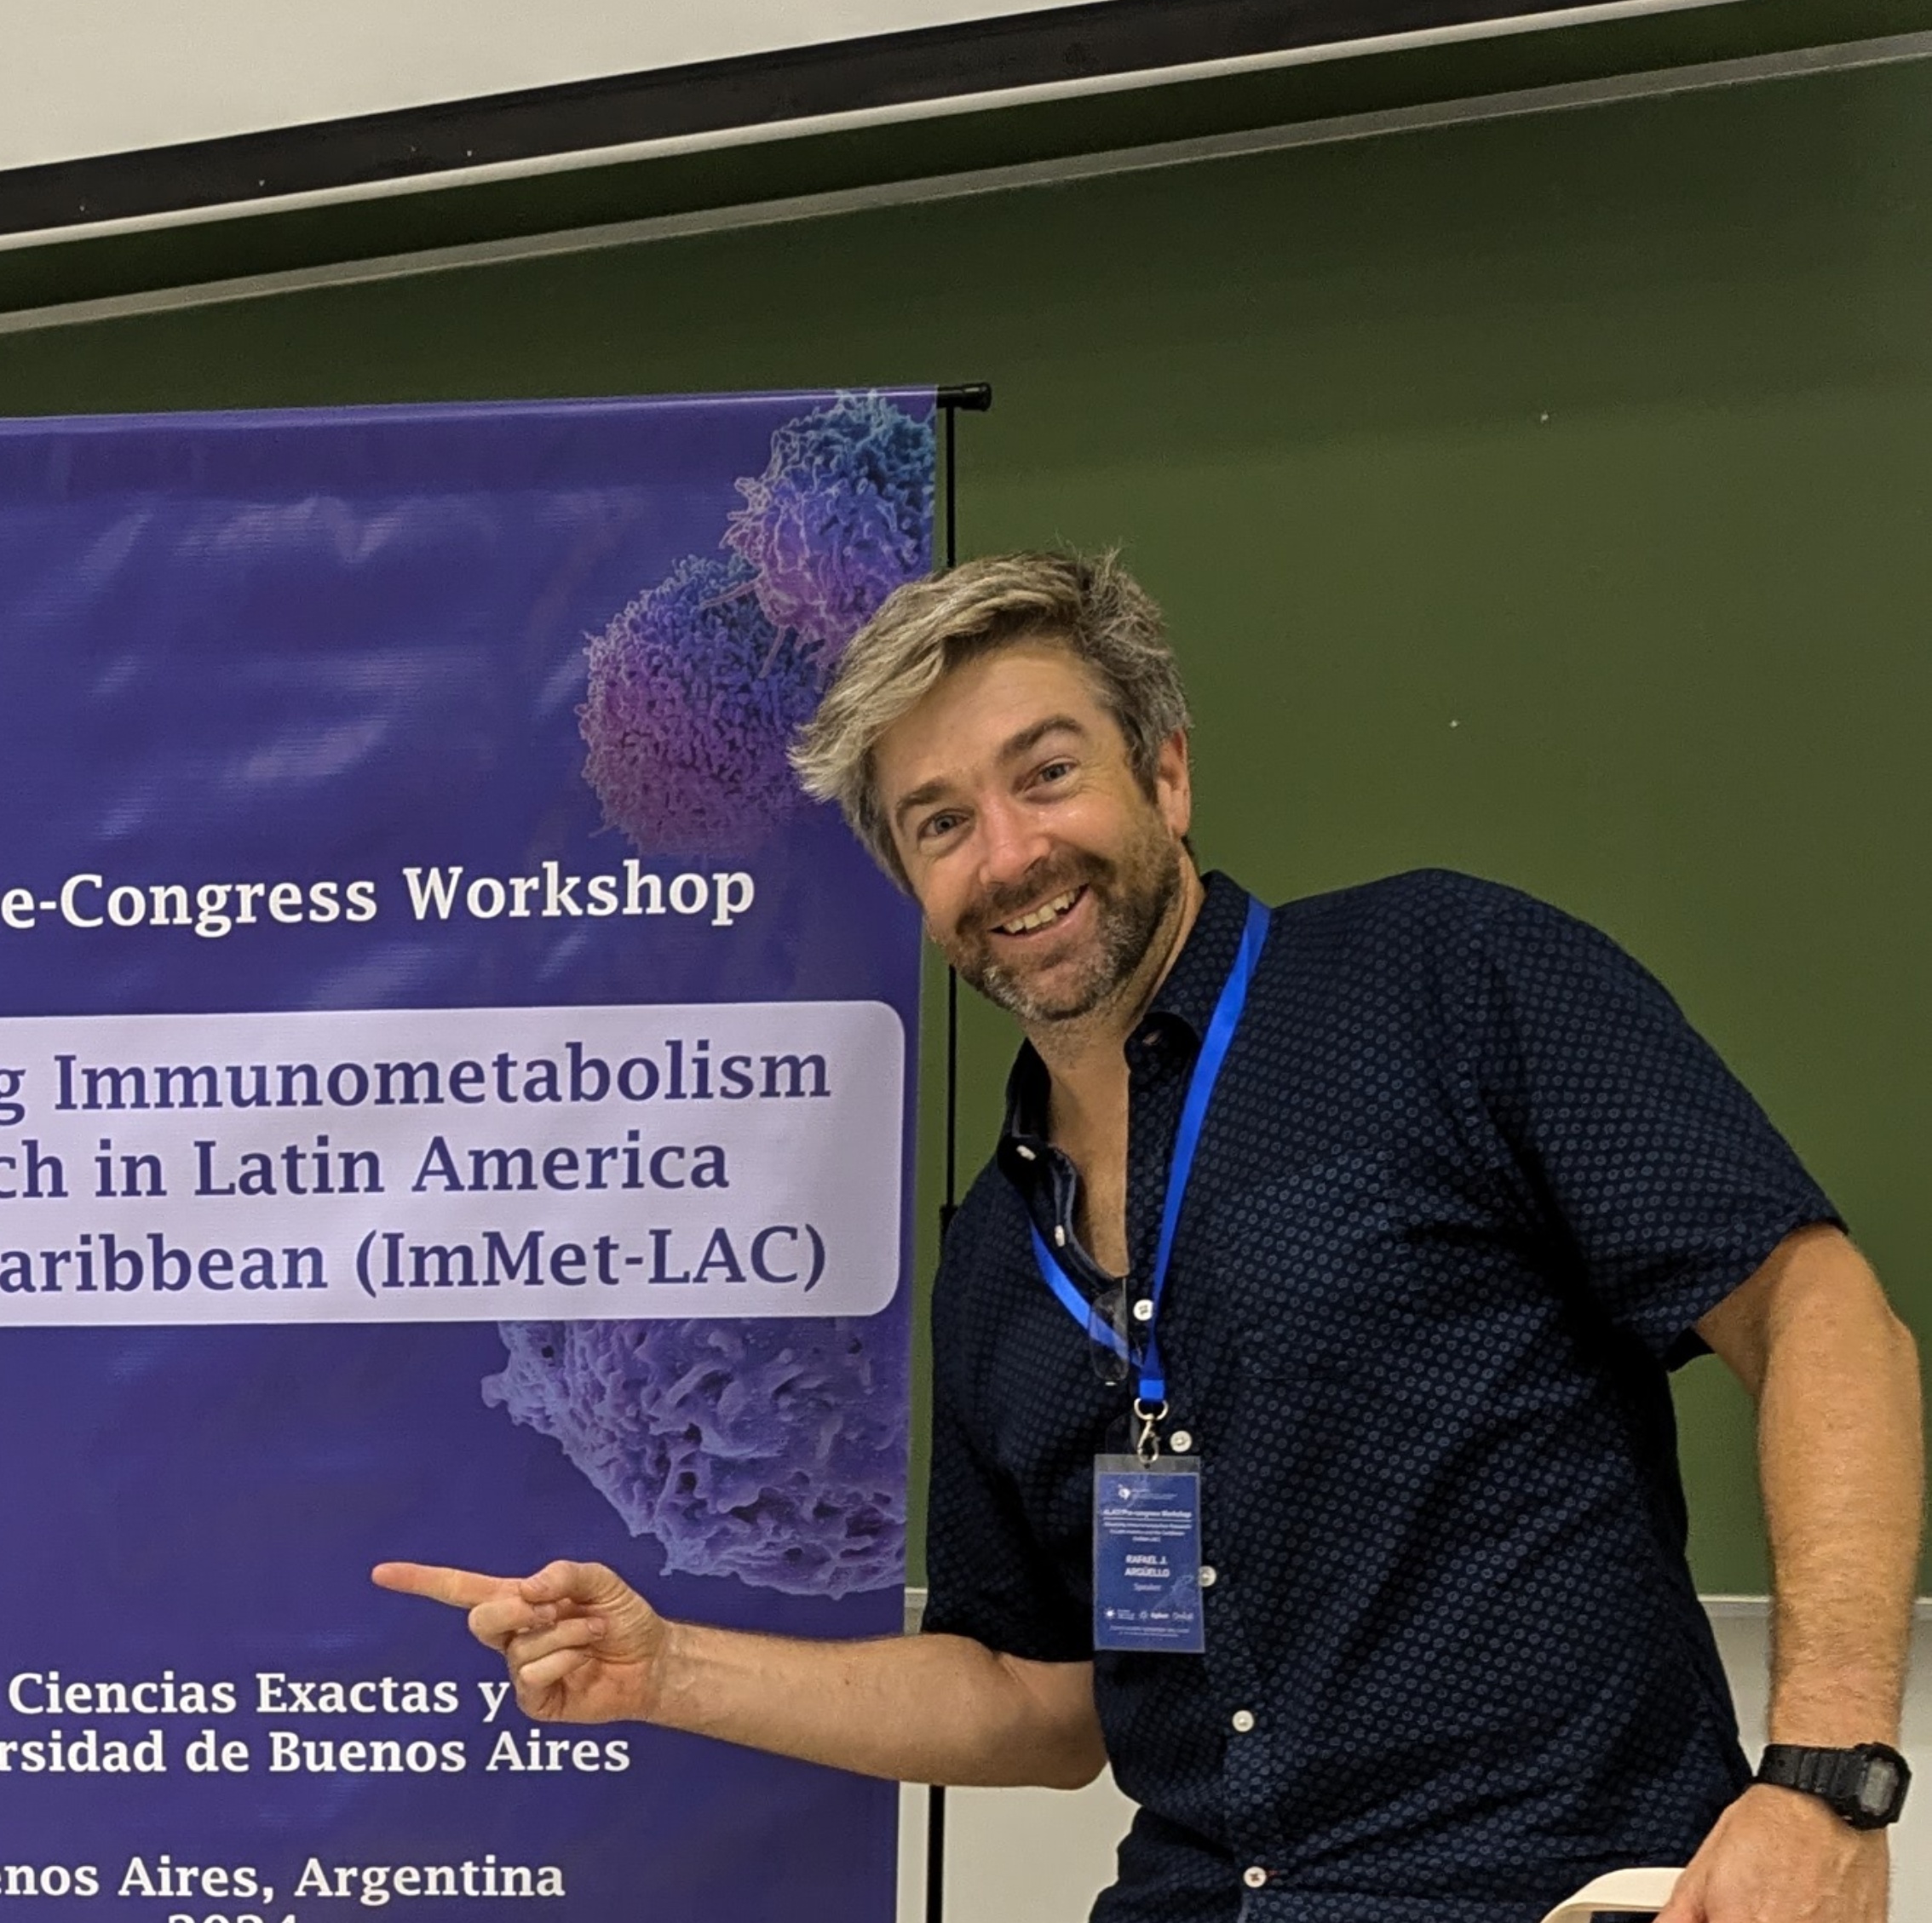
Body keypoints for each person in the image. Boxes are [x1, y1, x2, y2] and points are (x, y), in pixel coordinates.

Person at [377, 551, 1923, 1923]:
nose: (1009, 854)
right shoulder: (998, 1257)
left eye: (1046, 773)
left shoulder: (1443, 979)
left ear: (1167, 775)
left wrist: (1828, 1783)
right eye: (940, 823)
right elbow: (1042, 1703)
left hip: (1555, 1883)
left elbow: (1822, 1319)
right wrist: (670, 1670)